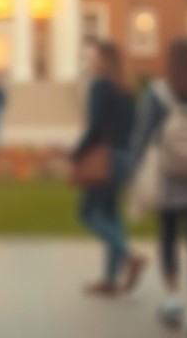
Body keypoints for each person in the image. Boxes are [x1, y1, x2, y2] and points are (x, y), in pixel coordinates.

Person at [129, 38, 187, 337]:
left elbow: (141, 136)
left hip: (168, 180)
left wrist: (132, 172)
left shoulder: (157, 94)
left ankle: (172, 300)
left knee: (168, 239)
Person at [70, 39, 146, 297]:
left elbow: (95, 128)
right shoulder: (127, 87)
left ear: (103, 60)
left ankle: (128, 255)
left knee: (88, 213)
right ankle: (110, 281)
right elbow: (135, 126)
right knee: (112, 215)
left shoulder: (100, 86)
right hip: (125, 158)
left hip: (106, 158)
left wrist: (75, 154)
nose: (91, 62)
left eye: (94, 57)